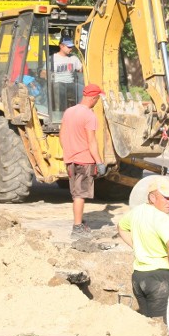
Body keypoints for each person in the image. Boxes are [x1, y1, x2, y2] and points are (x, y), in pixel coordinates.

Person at [117, 176, 169, 321]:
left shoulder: (137, 211)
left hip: (138, 278)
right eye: (166, 198)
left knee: (147, 325)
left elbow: (121, 227)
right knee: (163, 326)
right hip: (160, 279)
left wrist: (138, 247)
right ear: (152, 197)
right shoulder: (162, 218)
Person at [59, 83, 107, 240]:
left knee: (75, 192)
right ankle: (77, 227)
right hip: (84, 160)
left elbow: (61, 136)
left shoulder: (69, 112)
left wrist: (68, 153)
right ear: (93, 98)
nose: (98, 101)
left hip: (71, 159)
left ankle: (79, 223)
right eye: (98, 98)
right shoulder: (89, 115)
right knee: (80, 194)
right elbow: (92, 142)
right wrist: (99, 162)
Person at [47, 38, 83, 111]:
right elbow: (44, 72)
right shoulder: (52, 58)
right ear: (61, 46)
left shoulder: (74, 58)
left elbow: (81, 70)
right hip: (58, 82)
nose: (71, 49)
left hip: (71, 83)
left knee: (83, 89)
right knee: (60, 90)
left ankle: (80, 111)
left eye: (71, 47)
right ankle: (59, 111)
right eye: (68, 47)